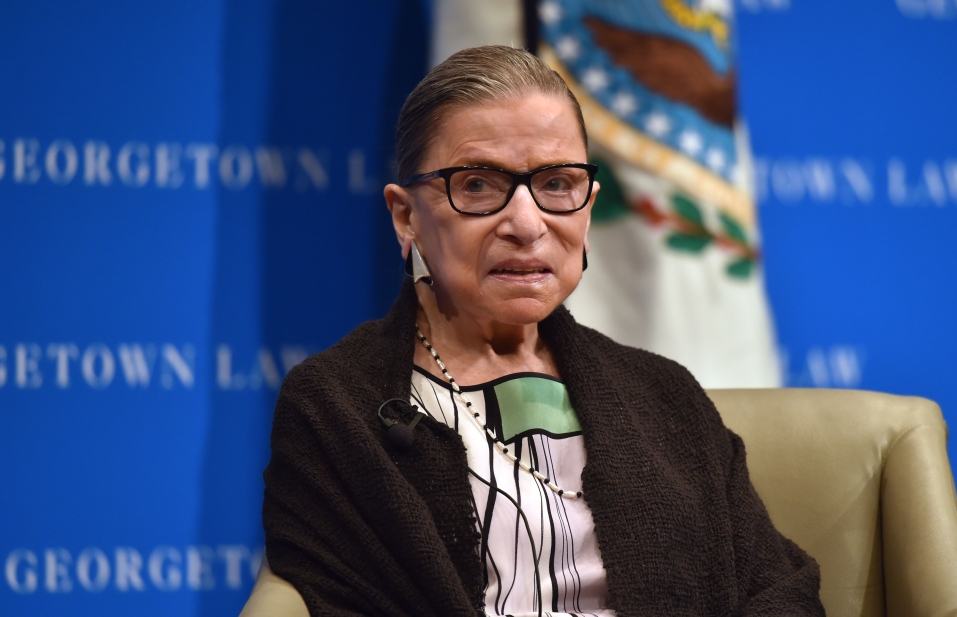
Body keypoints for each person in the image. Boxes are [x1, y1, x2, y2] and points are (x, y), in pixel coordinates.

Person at [262, 45, 823, 616]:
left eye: (557, 184)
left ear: (589, 207)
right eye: (477, 185)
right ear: (407, 217)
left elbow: (780, 592)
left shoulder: (666, 395)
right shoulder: (336, 407)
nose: (527, 225)